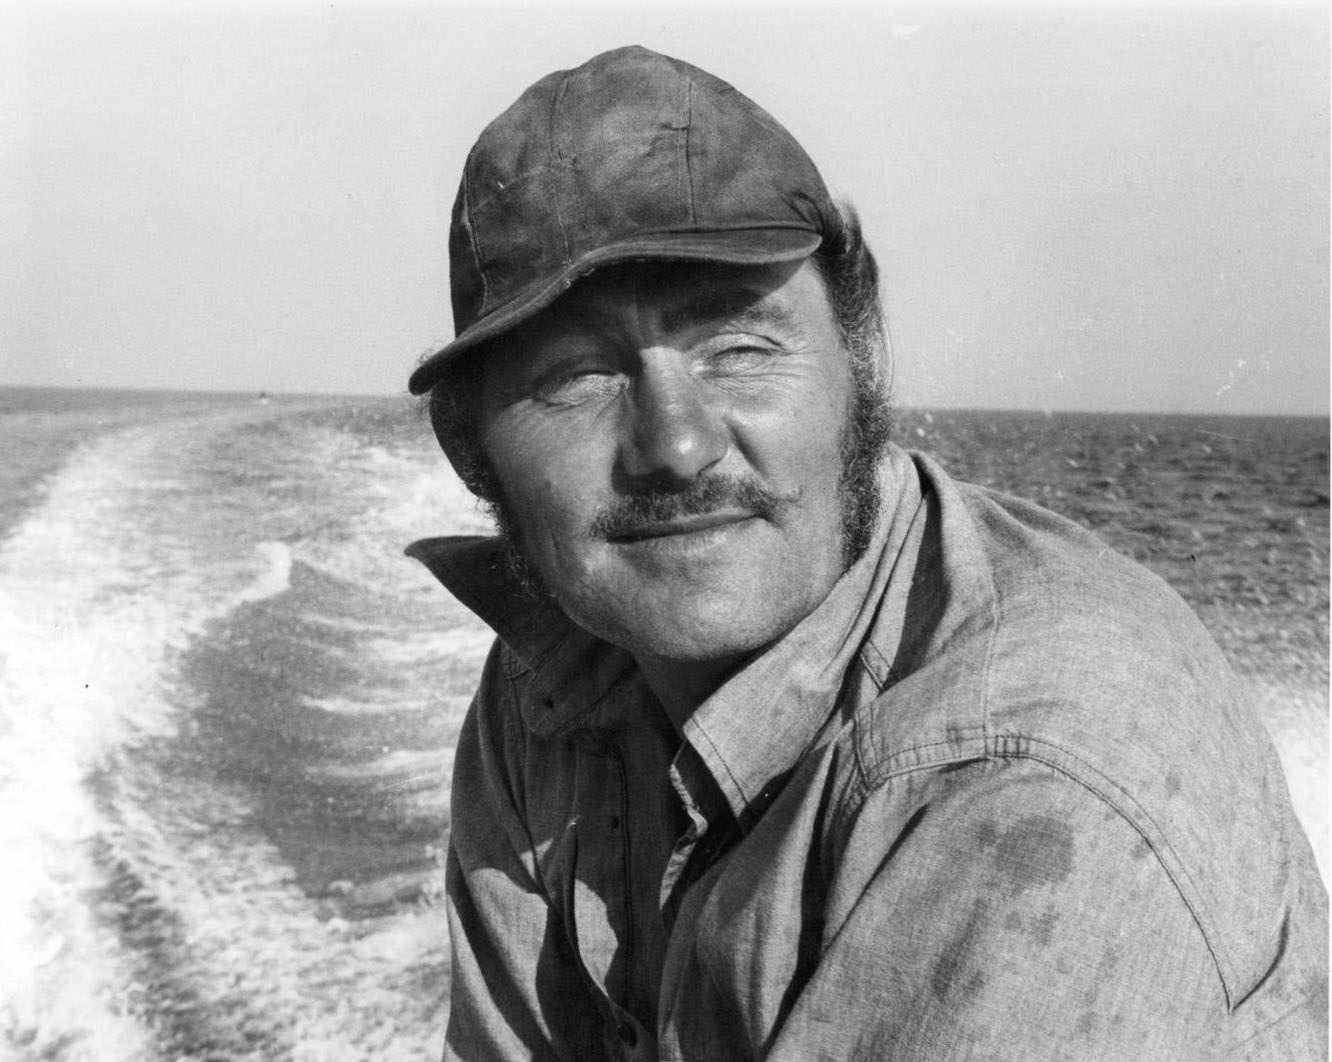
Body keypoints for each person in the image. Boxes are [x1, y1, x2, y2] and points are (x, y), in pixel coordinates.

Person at [406, 46, 1327, 1061]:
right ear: (470, 445)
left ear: (860, 352)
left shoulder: (1034, 778)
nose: (676, 444)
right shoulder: (551, 676)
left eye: (743, 348)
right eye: (577, 377)